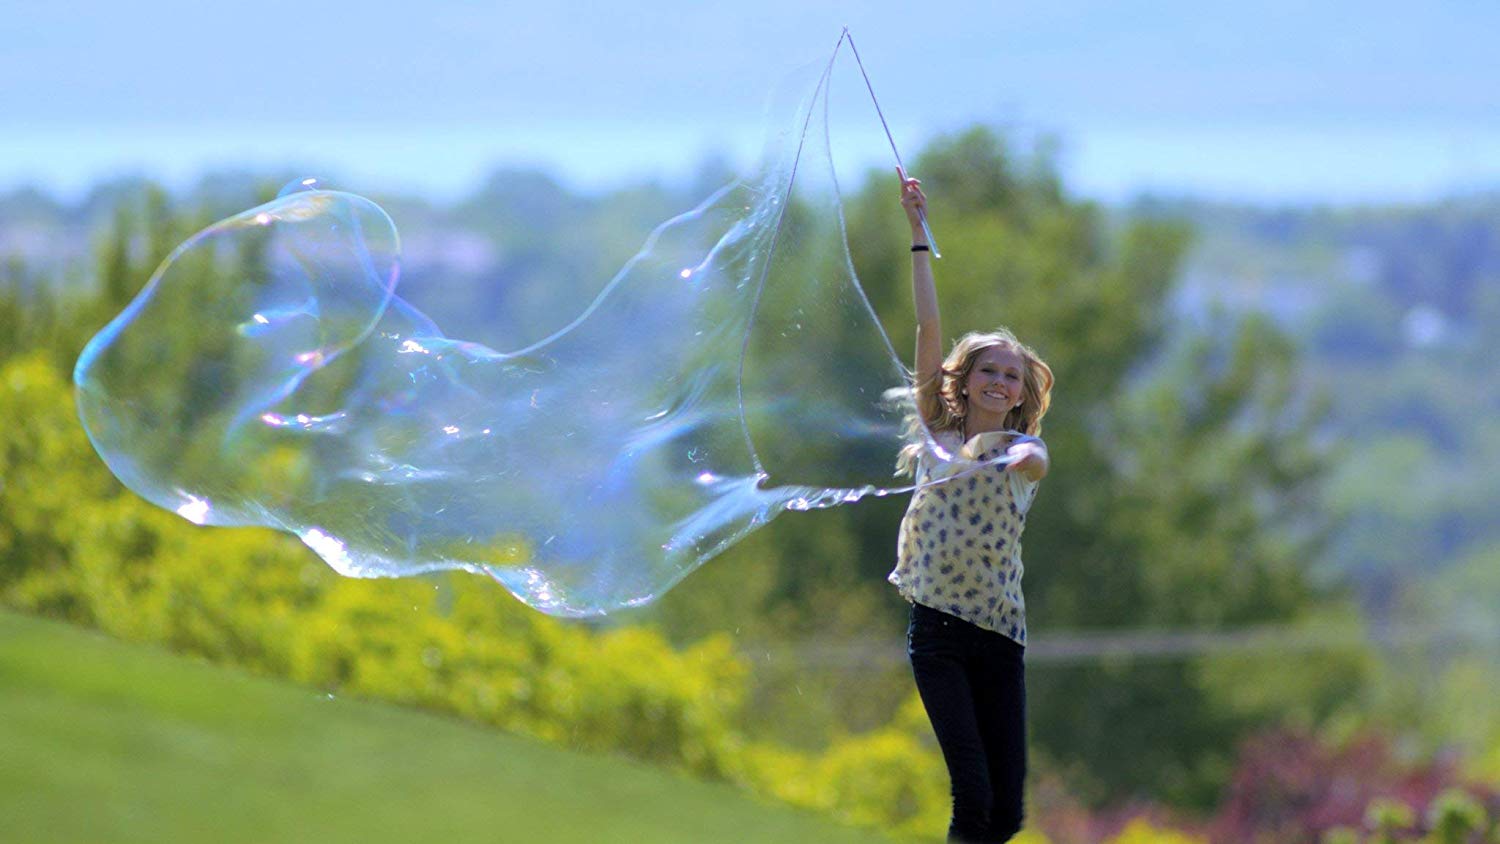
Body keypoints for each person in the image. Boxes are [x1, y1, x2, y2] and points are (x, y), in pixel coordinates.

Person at [887, 170, 1055, 843]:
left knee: (1007, 817)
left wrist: (1019, 455)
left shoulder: (1022, 452)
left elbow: (1036, 462)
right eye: (988, 369)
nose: (999, 380)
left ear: (1020, 395)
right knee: (974, 798)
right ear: (967, 379)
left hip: (1001, 638)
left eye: (1010, 375)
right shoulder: (938, 436)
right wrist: (919, 233)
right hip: (940, 636)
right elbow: (929, 324)